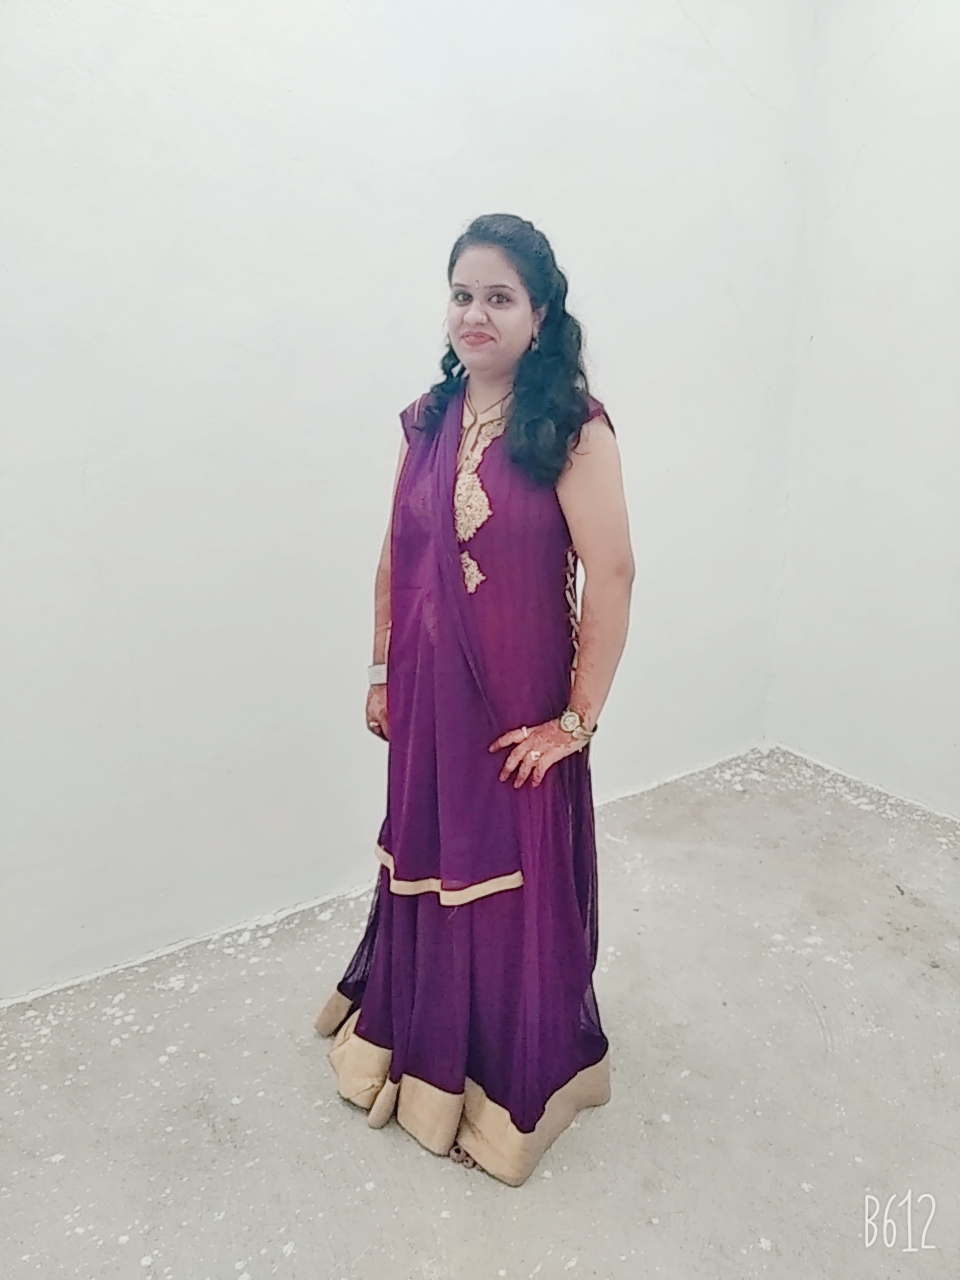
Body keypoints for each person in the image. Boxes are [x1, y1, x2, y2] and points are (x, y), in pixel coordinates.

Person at [314, 213, 634, 1187]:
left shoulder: (571, 429)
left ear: (540, 314)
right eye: (462, 295)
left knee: (506, 881)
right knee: (430, 863)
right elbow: (397, 554)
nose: (476, 314)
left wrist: (575, 722)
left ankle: (507, 1084)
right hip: (427, 704)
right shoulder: (427, 419)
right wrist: (381, 671)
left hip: (513, 713)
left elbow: (614, 572)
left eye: (500, 296)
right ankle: (423, 1053)